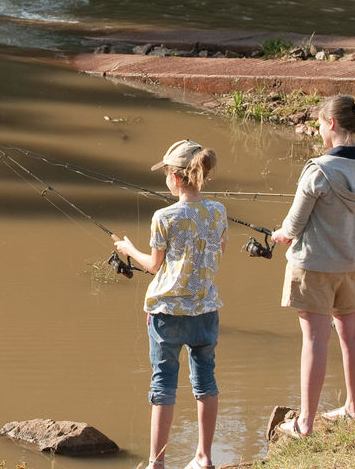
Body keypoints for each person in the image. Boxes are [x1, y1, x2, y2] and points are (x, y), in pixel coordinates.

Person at [271, 95, 355, 436]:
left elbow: (293, 225)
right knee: (352, 336)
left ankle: (304, 422)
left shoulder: (318, 170)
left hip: (315, 266)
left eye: (320, 124)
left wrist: (280, 235)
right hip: (353, 264)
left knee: (315, 341)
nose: (320, 130)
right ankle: (353, 407)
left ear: (331, 124)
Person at [114, 139, 227, 469]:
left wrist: (127, 248)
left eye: (165, 172)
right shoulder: (219, 211)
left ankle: (157, 464)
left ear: (175, 178)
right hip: (206, 309)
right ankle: (204, 458)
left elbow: (152, 265)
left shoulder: (163, 216)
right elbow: (218, 253)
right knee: (206, 381)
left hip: (166, 314)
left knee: (163, 384)